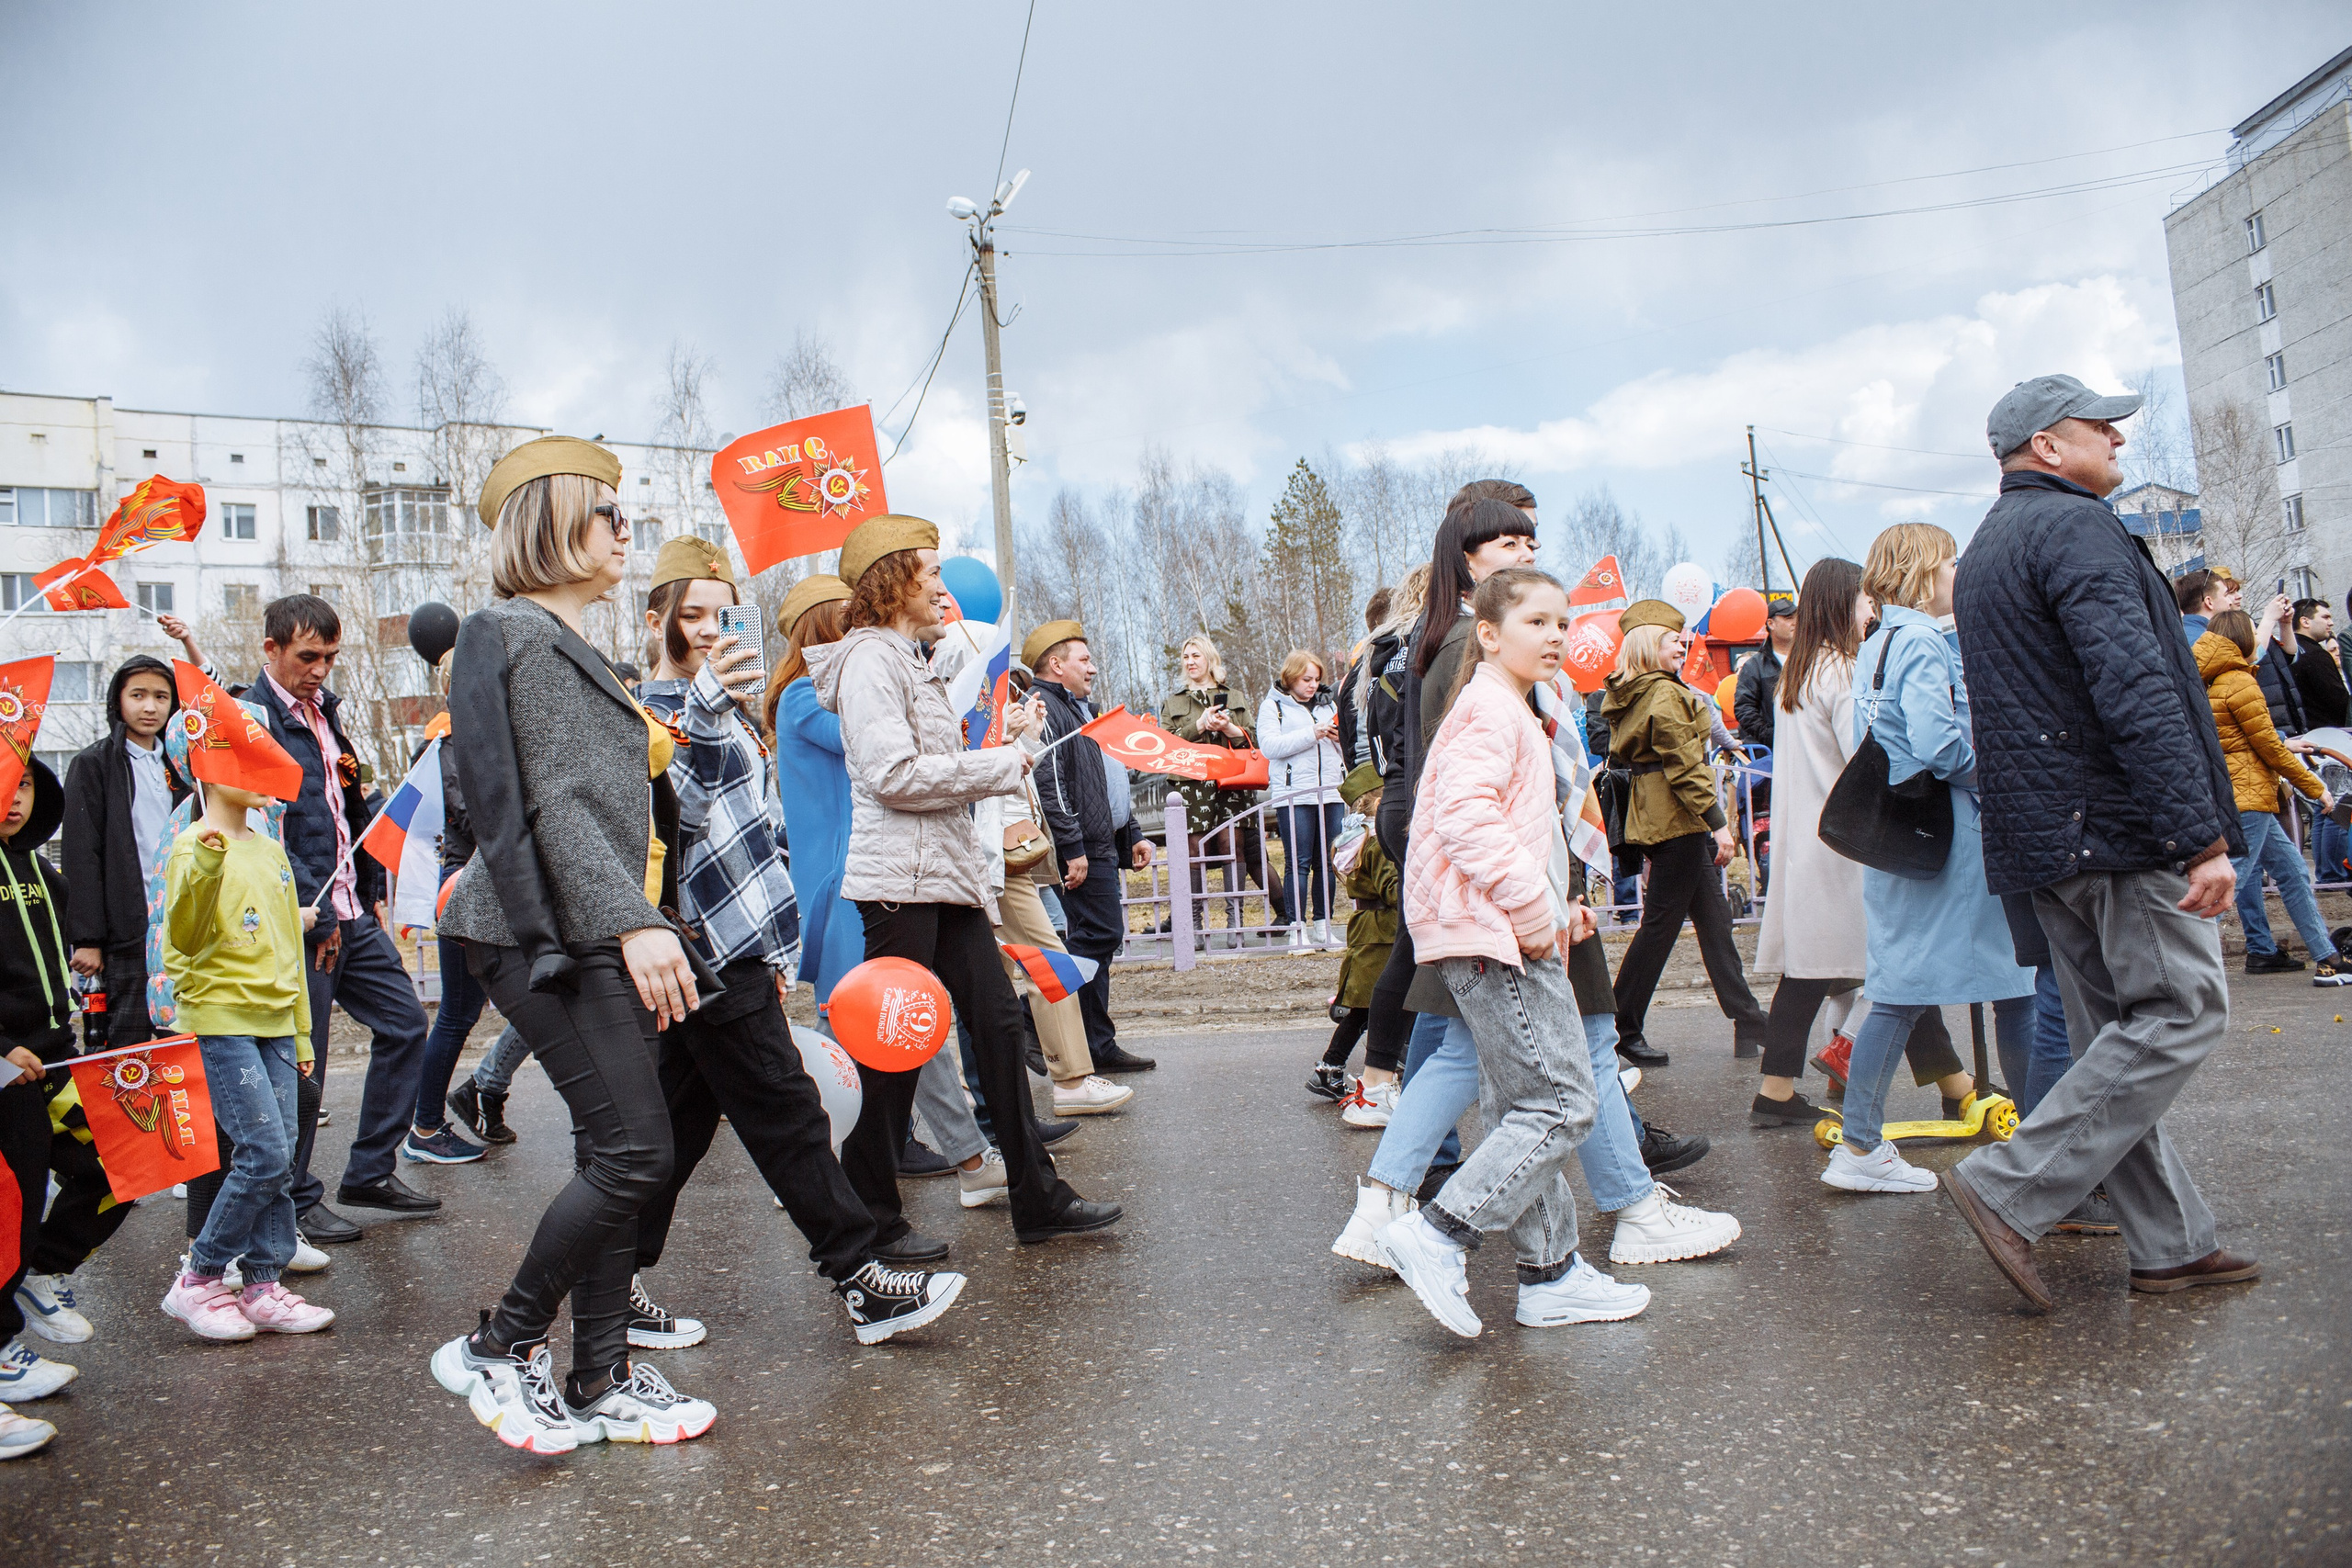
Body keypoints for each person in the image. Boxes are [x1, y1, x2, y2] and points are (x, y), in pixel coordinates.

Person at [1944, 373, 2258, 1310]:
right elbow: (2133, 689)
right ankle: (2010, 1186)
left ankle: (2168, 1243)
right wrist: (2199, 837)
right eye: (2100, 428)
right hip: (2114, 833)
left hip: (2049, 841)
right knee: (2180, 1014)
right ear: (2046, 445)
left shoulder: (1991, 544)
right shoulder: (2076, 530)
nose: (2118, 441)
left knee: (2112, 1045)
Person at [433, 436, 718, 1453]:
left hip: (596, 922)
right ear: (553, 522)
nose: (622, 531)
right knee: (639, 1149)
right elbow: (553, 805)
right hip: (540, 929)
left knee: (620, 1149)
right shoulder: (514, 632)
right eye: (606, 514)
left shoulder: (578, 648)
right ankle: (500, 1348)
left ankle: (600, 1373)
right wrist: (635, 922)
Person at [630, 535, 965, 1347]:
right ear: (658, 620)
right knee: (786, 1111)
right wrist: (706, 708)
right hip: (700, 944)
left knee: (674, 1127)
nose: (712, 631)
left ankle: (607, 1279)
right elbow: (686, 817)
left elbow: (760, 829)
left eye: (723, 615)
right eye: (694, 616)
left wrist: (779, 950)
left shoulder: (731, 704)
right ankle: (861, 1275)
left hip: (742, 942)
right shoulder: (647, 710)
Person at [808, 514, 1120, 1257]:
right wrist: (995, 768)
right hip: (900, 885)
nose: (943, 587)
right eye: (932, 571)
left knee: (999, 1025)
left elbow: (933, 766)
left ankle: (1036, 1197)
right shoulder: (870, 662)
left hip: (942, 880)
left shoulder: (906, 658)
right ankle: (873, 1223)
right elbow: (892, 776)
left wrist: (1005, 744)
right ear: (893, 581)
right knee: (896, 1051)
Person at [1372, 568, 1664, 1337]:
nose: (1558, 637)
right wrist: (1538, 906)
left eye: (1564, 624)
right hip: (1494, 934)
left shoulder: (1511, 707)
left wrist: (1557, 904)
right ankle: (1439, 1231)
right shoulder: (1491, 709)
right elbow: (1465, 820)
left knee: (1516, 1106)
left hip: (1502, 926)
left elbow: (1506, 824)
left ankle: (1551, 1274)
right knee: (1563, 1102)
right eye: (1537, 622)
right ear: (1491, 634)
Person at [1817, 525, 2022, 1194]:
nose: (1958, 569)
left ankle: (1861, 1140)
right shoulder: (1925, 643)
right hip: (1955, 839)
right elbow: (1941, 745)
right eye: (1951, 559)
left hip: (1906, 838)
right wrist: (1998, 771)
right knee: (2018, 984)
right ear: (1926, 567)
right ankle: (2045, 1142)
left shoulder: (1879, 642)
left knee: (1898, 991)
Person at [1750, 558, 1976, 1128]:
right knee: (1899, 968)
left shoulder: (1795, 677)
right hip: (1851, 844)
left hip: (1808, 841)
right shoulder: (1844, 674)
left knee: (1810, 972)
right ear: (1842, 606)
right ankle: (1957, 1087)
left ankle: (1776, 1092)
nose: (1871, 612)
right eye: (1863, 602)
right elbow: (1868, 760)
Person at [245, 593, 437, 1244]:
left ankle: (369, 1172)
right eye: (307, 656)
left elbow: (349, 811)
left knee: (407, 1024)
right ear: (270, 648)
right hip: (304, 922)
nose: (320, 668)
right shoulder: (254, 720)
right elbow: (262, 830)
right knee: (306, 1065)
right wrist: (314, 910)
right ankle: (294, 1200)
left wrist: (374, 887)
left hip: (353, 912)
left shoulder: (327, 714)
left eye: (330, 656)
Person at [1351, 488, 1539, 1130]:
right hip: (1432, 811)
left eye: (1531, 541)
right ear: (1465, 559)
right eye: (1511, 542)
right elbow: (1430, 748)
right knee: (1430, 964)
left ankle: (1403, 1127)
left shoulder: (1425, 639)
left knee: (1434, 969)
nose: (1527, 553)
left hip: (1414, 806)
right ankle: (1381, 1089)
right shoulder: (1455, 640)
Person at [156, 747, 337, 1341]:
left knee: (280, 1152)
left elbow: (289, 947)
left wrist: (302, 1026)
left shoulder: (270, 850)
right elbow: (181, 935)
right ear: (212, 772)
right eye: (250, 765)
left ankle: (262, 1283)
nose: (267, 778)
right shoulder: (193, 845)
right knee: (261, 1150)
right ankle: (201, 1275)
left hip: (278, 1022)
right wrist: (206, 866)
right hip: (221, 1018)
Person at [1602, 601, 1770, 1065]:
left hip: (1664, 817)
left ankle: (1748, 1022)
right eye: (1672, 640)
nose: (1682, 644)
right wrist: (1720, 826)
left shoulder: (1636, 690)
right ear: (1648, 646)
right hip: (1677, 819)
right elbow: (1685, 770)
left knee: (1715, 924)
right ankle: (1621, 1027)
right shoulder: (1664, 695)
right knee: (1660, 927)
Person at [0, 761, 90, 1404]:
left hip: (60, 1059)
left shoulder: (41, 871)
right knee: (15, 1205)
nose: (13, 797)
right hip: (8, 1068)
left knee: (120, 1165)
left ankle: (45, 1267)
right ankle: (4, 1344)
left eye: (26, 785)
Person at [1029, 622, 1154, 1074]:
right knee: (1096, 936)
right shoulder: (1044, 709)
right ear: (1057, 664)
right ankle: (1032, 1015)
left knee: (1098, 940)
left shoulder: (1082, 710)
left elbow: (1110, 780)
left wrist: (1133, 832)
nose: (1094, 668)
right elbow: (1050, 782)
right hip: (1080, 848)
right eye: (1084, 660)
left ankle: (1096, 1043)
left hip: (1101, 843)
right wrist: (1072, 844)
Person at [2195, 609, 2344, 982]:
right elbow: (2269, 751)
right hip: (2251, 795)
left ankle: (2327, 955)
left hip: (2242, 792)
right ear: (2243, 639)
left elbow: (2245, 742)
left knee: (2292, 870)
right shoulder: (2240, 682)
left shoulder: (2210, 680)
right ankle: (2183, 967)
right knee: (2231, 884)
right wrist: (2317, 788)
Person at [63, 654, 194, 1052]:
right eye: (138, 695)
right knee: (128, 1045)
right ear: (117, 700)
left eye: (161, 696)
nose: (150, 706)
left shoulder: (183, 764)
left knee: (184, 1039)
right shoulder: (95, 763)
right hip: (128, 930)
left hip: (183, 926)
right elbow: (81, 854)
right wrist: (88, 939)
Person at [400, 727, 491, 1167]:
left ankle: (484, 1092)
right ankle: (426, 1127)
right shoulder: (449, 743)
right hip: (462, 885)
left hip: (478, 883)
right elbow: (475, 817)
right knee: (457, 1014)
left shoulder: (464, 738)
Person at [1160, 634, 1287, 945]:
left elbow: (1255, 740)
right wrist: (1199, 727)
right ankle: (1195, 929)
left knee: (1235, 849)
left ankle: (1236, 925)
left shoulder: (1235, 696)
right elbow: (1166, 744)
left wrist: (1231, 729)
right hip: (1191, 787)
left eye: (1196, 656)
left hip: (1231, 785)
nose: (1190, 662)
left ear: (1209, 659)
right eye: (1186, 657)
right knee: (1192, 854)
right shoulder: (1173, 701)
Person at [1309, 762, 1397, 1099]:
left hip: (1368, 930)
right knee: (1374, 1007)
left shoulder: (1355, 840)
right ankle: (1337, 1069)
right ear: (1378, 804)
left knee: (1367, 1008)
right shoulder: (1377, 844)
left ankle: (1330, 1069)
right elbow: (1392, 889)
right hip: (1383, 935)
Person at [1258, 649, 1348, 949]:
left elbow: (1346, 747)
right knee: (1299, 863)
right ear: (1291, 676)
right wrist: (1313, 732)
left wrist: (1338, 738)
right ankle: (1298, 929)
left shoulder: (1328, 705)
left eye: (1317, 679)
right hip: (1294, 795)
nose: (1312, 685)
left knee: (1327, 863)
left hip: (1331, 792)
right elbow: (1270, 746)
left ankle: (1324, 925)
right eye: (1306, 678)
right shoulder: (1273, 707)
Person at [1731, 593, 1796, 752]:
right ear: (1771, 623)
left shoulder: (1809, 660)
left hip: (1806, 747)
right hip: (1771, 753)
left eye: (1797, 617)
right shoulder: (1754, 666)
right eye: (1788, 618)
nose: (1795, 622)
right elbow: (1744, 708)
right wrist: (1771, 736)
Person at [2290, 599, 2346, 728]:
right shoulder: (2315, 655)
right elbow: (2338, 701)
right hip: (2328, 733)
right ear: (2305, 621)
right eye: (2325, 617)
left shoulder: (2286, 652)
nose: (2331, 623)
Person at [2173, 566, 2240, 642]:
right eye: (2225, 595)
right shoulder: (2210, 644)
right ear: (2209, 602)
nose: (2230, 602)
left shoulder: (2174, 636)